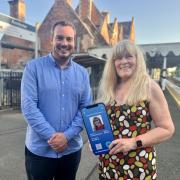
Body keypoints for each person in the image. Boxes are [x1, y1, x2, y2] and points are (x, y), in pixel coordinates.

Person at [21, 21, 92, 180]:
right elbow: (29, 108)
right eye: (59, 38)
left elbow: (85, 108)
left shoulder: (82, 74)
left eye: (69, 39)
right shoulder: (33, 68)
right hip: (40, 151)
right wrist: (54, 138)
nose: (64, 43)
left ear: (74, 41)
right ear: (51, 40)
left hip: (71, 150)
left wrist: (66, 136)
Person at [96, 40, 175, 179]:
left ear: (137, 60)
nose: (123, 61)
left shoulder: (148, 86)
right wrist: (97, 141)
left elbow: (167, 128)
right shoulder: (109, 89)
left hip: (138, 168)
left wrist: (133, 142)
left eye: (129, 56)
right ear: (113, 63)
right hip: (108, 167)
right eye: (119, 58)